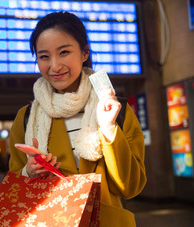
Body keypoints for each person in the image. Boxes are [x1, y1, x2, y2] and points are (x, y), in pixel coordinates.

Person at [9, 11, 146, 227]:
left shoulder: (115, 110)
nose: (54, 66)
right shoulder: (26, 117)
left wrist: (109, 129)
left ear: (84, 53)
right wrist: (29, 171)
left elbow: (131, 187)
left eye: (64, 52)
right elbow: (16, 183)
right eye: (44, 56)